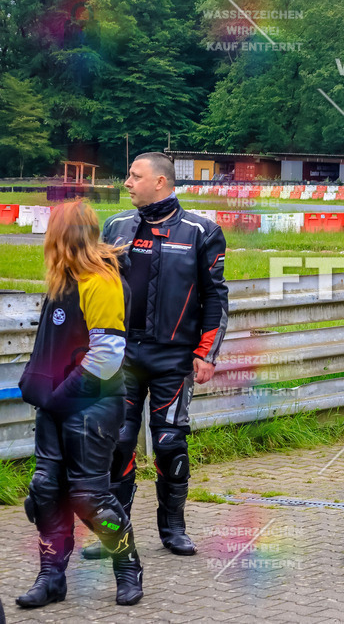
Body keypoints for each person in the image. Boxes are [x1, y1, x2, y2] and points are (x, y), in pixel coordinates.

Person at [81, 152, 228, 559]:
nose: (126, 182)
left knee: (168, 444)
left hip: (175, 359)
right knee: (118, 443)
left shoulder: (202, 230)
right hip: (121, 358)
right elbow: (94, 288)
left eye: (134, 175)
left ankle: (173, 527)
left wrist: (207, 352)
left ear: (160, 182)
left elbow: (216, 295)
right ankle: (113, 533)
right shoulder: (116, 226)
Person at [16, 201, 143, 607]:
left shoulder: (100, 281)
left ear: (63, 235)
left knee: (89, 496)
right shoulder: (62, 280)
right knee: (47, 489)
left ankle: (127, 567)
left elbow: (108, 355)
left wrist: (60, 397)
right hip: (57, 404)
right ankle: (51, 577)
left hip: (92, 405)